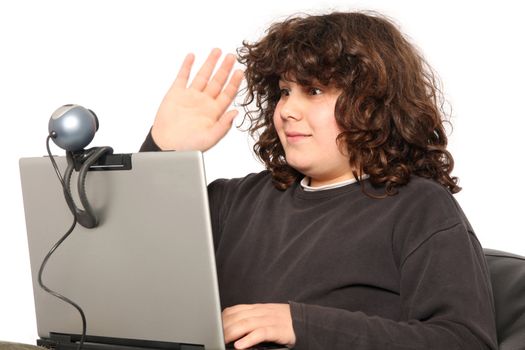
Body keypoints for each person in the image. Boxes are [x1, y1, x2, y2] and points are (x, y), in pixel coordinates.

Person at [140, 11, 498, 350]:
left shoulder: (419, 207)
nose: (287, 110)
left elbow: (464, 340)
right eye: (284, 91)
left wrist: (301, 325)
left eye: (313, 91)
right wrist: (162, 150)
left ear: (372, 104)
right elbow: (127, 261)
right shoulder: (231, 201)